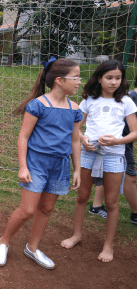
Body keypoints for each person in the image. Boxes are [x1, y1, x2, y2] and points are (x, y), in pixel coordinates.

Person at [0, 57, 83, 270]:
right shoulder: (38, 105)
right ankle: (3, 241)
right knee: (27, 210)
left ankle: (32, 248)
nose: (80, 81)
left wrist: (77, 169)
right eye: (76, 77)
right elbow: (23, 137)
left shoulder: (75, 109)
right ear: (59, 80)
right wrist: (23, 166)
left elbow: (75, 140)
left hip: (60, 166)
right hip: (36, 163)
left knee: (46, 208)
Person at [61, 60, 137, 263]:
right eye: (109, 78)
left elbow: (135, 133)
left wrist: (117, 140)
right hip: (88, 154)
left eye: (118, 78)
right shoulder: (88, 101)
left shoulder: (126, 101)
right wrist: (84, 139)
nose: (114, 82)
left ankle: (108, 245)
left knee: (111, 202)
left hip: (114, 155)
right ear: (100, 79)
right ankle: (76, 235)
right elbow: (76, 127)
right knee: (82, 196)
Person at [88, 75, 137, 224]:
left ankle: (96, 206)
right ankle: (136, 213)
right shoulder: (131, 98)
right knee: (131, 177)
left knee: (108, 172)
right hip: (118, 143)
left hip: (122, 141)